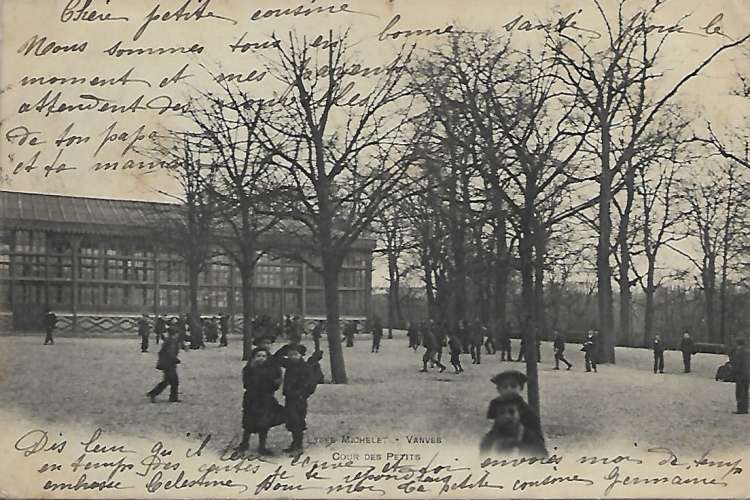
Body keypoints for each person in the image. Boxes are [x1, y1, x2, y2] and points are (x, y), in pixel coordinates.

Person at [238, 347, 285, 454]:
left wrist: (272, 384)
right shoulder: (249, 369)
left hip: (265, 399)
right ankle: (244, 443)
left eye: (264, 356)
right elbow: (246, 383)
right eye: (258, 356)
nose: (261, 358)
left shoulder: (271, 369)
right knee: (248, 423)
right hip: (252, 398)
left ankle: (262, 446)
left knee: (264, 423)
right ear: (253, 358)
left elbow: (276, 383)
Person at [274, 344, 320, 453]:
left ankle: (298, 444)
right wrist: (283, 349)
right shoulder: (289, 364)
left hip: (300, 399)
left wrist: (303, 394)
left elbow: (311, 383)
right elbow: (275, 359)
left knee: (298, 420)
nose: (292, 357)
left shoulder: (305, 367)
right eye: (290, 355)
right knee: (291, 420)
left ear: (301, 355)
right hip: (290, 398)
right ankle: (295, 443)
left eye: (295, 354)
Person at [480, 392, 548, 458]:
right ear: (496, 417)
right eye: (501, 413)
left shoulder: (531, 439)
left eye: (511, 412)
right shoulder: (489, 441)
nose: (507, 416)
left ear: (519, 414)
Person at [488, 370, 544, 442]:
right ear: (499, 390)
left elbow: (536, 432)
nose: (509, 389)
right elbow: (492, 424)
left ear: (521, 388)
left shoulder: (525, 409)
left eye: (513, 386)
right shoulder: (495, 404)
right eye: (504, 387)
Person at [147, 327, 181, 403]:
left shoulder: (168, 340)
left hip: (166, 363)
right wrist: (176, 360)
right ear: (175, 334)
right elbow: (170, 353)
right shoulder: (172, 341)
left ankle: (154, 393)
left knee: (168, 381)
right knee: (174, 381)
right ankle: (171, 397)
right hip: (169, 364)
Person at [732, 338, 749, 414]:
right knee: (745, 392)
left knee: (739, 392)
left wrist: (733, 372)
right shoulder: (748, 352)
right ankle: (745, 408)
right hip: (748, 375)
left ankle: (740, 408)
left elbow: (737, 365)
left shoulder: (738, 353)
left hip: (740, 375)